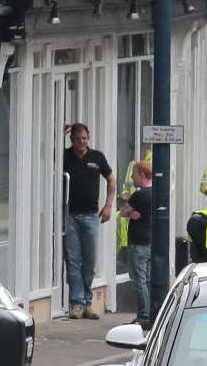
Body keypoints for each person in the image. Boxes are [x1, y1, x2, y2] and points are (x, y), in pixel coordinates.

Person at [63, 123, 114, 320]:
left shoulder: (97, 157)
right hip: (70, 216)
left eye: (85, 138)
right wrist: (57, 134)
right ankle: (77, 304)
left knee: (90, 261)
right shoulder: (64, 156)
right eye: (78, 138)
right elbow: (45, 156)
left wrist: (108, 205)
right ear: (72, 139)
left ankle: (87, 302)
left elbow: (111, 180)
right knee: (73, 261)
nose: (82, 142)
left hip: (92, 216)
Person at [121, 160, 155, 328]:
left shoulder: (139, 195)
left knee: (138, 279)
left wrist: (130, 211)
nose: (133, 178)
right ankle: (149, 313)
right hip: (151, 243)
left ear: (142, 174)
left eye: (134, 174)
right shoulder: (157, 194)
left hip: (138, 243)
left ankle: (143, 315)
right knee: (147, 279)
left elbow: (123, 212)